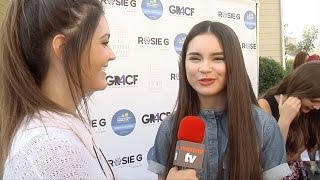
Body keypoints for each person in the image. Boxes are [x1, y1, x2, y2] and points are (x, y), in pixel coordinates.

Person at [148, 20, 291, 180]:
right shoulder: (170, 127)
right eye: (195, 58)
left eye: (217, 58)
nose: (205, 68)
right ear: (184, 64)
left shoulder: (265, 127)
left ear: (233, 63)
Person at [0, 0, 117, 179]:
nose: (112, 55)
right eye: (104, 42)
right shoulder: (52, 150)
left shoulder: (55, 135)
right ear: (62, 48)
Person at [258, 62, 320, 179]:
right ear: (301, 89)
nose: (317, 107)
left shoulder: (310, 111)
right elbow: (268, 160)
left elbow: (297, 153)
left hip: (296, 172)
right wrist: (284, 121)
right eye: (313, 101)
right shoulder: (264, 107)